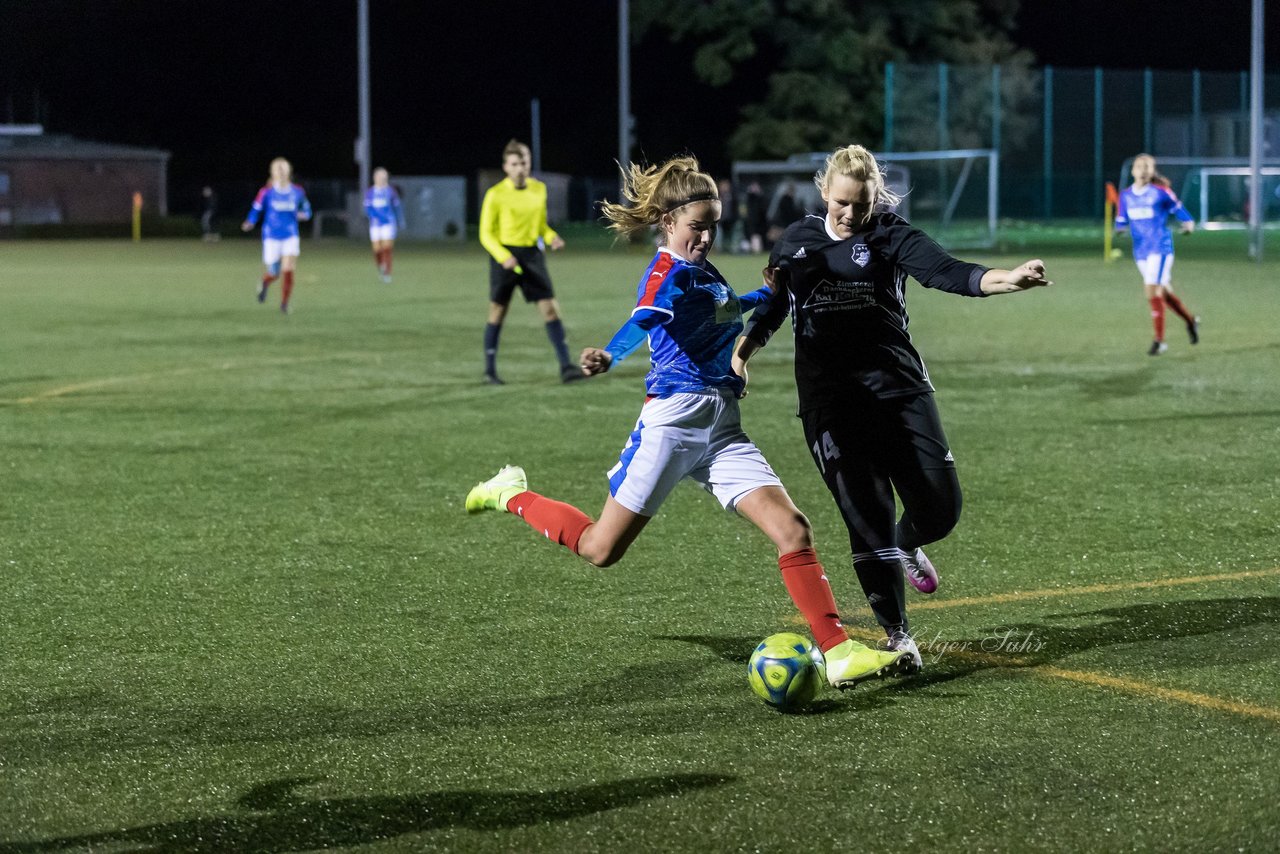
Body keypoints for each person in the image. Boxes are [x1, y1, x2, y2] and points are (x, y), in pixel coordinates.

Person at [465, 155, 913, 689]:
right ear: (668, 223)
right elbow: (647, 316)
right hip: (673, 425)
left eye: (713, 227)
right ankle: (510, 492)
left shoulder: (704, 271)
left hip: (721, 429)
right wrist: (611, 354)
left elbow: (723, 312)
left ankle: (838, 652)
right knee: (600, 550)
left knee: (793, 530)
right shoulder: (664, 273)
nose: (705, 238)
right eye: (697, 227)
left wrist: (766, 295)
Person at [734, 144, 1052, 669]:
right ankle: (898, 636)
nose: (850, 214)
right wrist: (742, 356)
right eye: (841, 203)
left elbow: (946, 271)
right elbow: (774, 306)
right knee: (868, 516)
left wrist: (1007, 279)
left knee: (941, 509)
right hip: (831, 403)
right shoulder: (795, 243)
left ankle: (908, 543)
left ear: (874, 198)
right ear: (824, 192)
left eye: (860, 205)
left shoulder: (889, 235)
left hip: (900, 390)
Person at [478, 139, 579, 385]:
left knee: (550, 308)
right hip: (505, 255)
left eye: (524, 162)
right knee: (498, 312)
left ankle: (566, 366)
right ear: (506, 167)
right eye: (514, 163)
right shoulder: (496, 194)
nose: (520, 167)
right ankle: (490, 371)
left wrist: (551, 237)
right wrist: (504, 257)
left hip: (532, 255)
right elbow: (485, 233)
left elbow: (540, 225)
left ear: (529, 162)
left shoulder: (538, 189)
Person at [1114, 153, 1200, 356]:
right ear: (1133, 171)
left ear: (1152, 171)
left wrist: (1188, 224)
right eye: (1139, 166)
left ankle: (1159, 341)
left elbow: (1180, 210)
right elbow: (1121, 219)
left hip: (1160, 248)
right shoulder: (1126, 195)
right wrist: (1120, 228)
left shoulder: (1160, 192)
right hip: (1141, 251)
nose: (1143, 170)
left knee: (1151, 291)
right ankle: (1190, 321)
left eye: (1147, 166)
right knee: (1164, 293)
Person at [241, 158, 312, 314]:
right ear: (272, 173)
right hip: (271, 236)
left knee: (288, 269)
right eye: (277, 169)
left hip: (291, 235)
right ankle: (265, 282)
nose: (280, 172)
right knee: (274, 272)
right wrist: (250, 221)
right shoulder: (266, 192)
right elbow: (256, 209)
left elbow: (307, 210)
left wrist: (303, 215)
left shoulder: (297, 191)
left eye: (283, 169)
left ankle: (284, 304)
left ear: (288, 172)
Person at [364, 167, 405, 283]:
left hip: (388, 223)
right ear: (375, 178)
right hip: (375, 224)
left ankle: (387, 273)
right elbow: (367, 208)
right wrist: (373, 217)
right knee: (377, 250)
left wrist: (400, 220)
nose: (382, 179)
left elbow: (397, 207)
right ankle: (381, 266)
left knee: (387, 249)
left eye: (384, 177)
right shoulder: (370, 192)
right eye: (380, 176)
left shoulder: (390, 191)